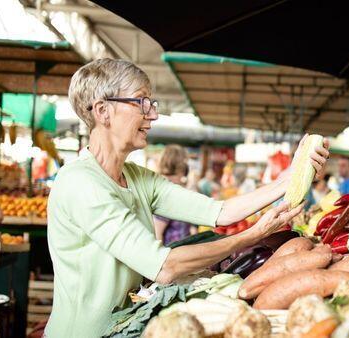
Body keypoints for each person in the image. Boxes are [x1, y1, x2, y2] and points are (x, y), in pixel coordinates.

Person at [46, 58, 330, 338]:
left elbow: (219, 211)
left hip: (120, 327)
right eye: (141, 101)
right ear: (102, 111)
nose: (153, 114)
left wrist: (292, 175)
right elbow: (165, 266)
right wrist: (251, 235)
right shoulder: (81, 183)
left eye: (151, 103)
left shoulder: (135, 177)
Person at [153, 144, 195, 245]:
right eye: (185, 161)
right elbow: (157, 233)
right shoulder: (166, 192)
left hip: (182, 251)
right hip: (173, 254)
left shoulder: (173, 186)